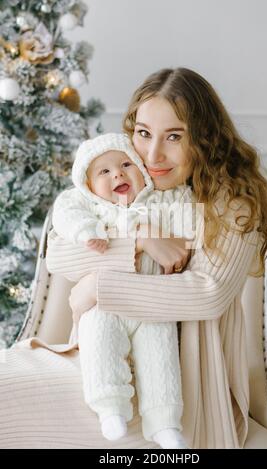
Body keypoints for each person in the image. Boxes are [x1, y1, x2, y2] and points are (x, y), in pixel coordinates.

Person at [42, 67, 267, 448]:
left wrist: (98, 285)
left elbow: (206, 293)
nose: (152, 154)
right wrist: (140, 239)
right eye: (143, 134)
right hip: (101, 371)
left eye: (174, 136)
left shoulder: (232, 205)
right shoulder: (127, 185)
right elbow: (59, 253)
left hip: (181, 393)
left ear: (205, 140)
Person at [50, 132, 196, 448]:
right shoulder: (92, 208)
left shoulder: (158, 201)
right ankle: (110, 407)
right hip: (102, 304)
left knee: (161, 355)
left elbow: (186, 207)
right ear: (88, 186)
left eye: (126, 164)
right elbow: (65, 210)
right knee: (98, 340)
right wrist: (85, 231)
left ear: (142, 172)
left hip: (151, 303)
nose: (117, 173)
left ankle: (165, 422)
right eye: (103, 171)